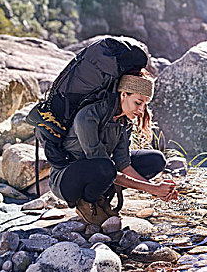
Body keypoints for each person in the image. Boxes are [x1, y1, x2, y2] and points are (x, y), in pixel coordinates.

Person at [48, 69, 178, 225]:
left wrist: (155, 189)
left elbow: (124, 165)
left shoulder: (123, 122)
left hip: (101, 170)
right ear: (123, 94)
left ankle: (100, 198)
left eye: (145, 104)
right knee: (106, 167)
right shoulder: (88, 116)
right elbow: (106, 168)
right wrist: (152, 189)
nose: (142, 110)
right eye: (138, 102)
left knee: (155, 160)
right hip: (66, 181)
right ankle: (87, 202)